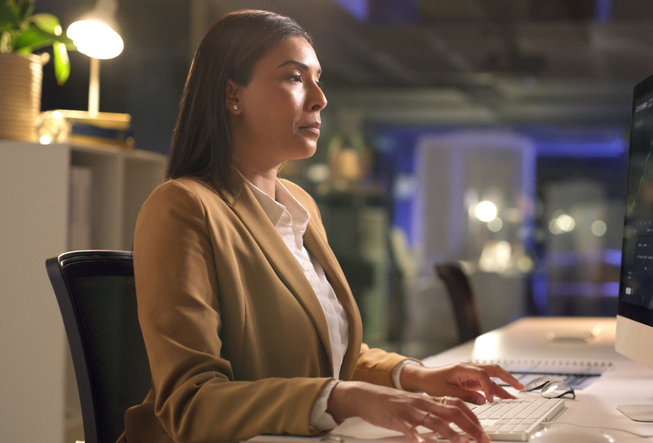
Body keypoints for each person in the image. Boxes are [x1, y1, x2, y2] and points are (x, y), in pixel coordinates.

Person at [121, 9, 524, 443]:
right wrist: (345, 399)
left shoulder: (302, 206)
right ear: (231, 94)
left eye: (318, 78)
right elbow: (192, 402)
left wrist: (416, 376)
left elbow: (328, 356)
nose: (319, 98)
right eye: (295, 78)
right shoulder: (183, 207)